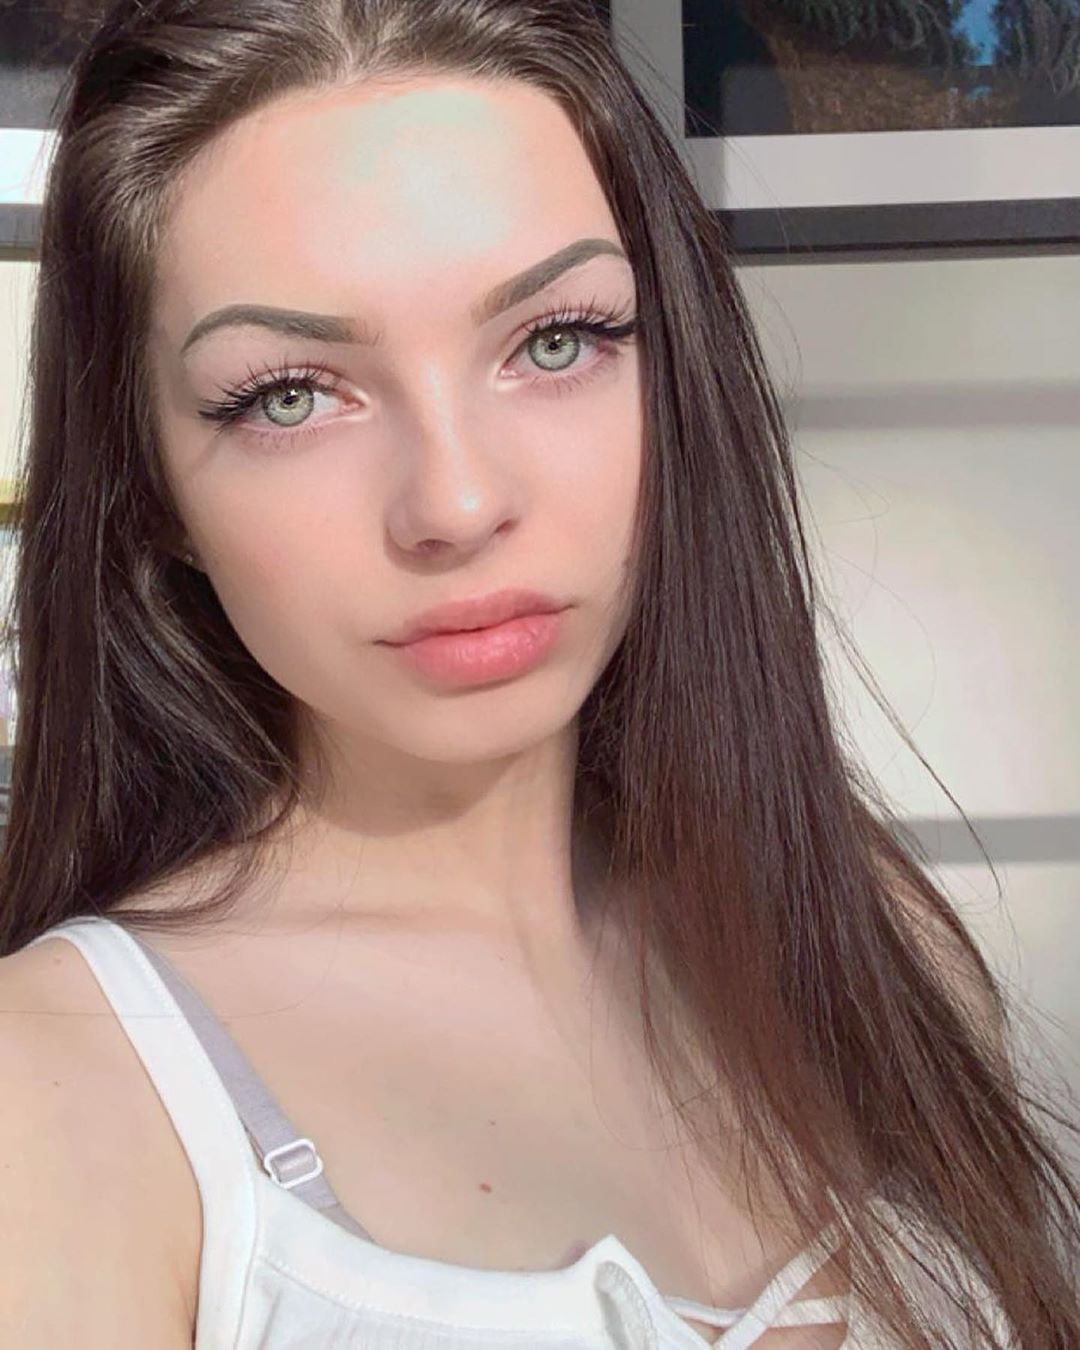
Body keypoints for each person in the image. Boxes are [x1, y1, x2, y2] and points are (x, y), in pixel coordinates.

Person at [0, 1, 1076, 1346]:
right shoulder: (57, 1094)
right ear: (152, 490)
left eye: (555, 340)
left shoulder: (873, 943)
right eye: (289, 394)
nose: (456, 503)